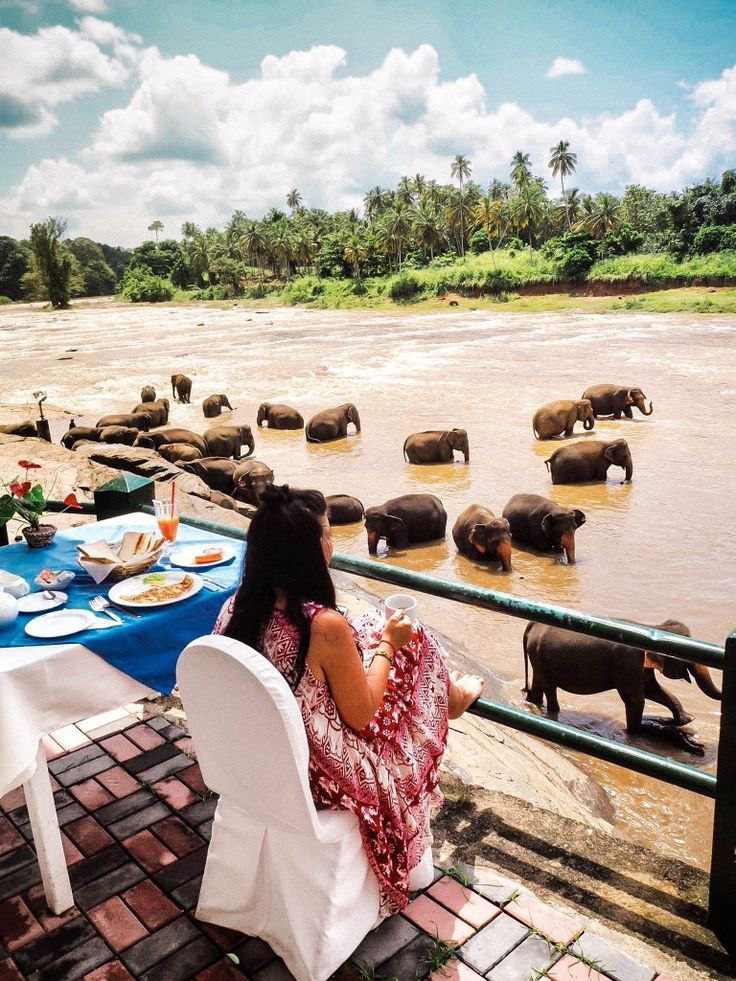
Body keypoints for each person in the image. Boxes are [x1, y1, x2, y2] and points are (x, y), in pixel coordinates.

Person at [214, 484, 483, 916]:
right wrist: (390, 645)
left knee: (379, 627)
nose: (332, 540)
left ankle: (444, 695)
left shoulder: (237, 608)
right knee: (415, 641)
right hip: (320, 774)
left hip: (258, 756)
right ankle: (447, 703)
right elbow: (362, 716)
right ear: (309, 550)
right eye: (326, 531)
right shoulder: (323, 626)